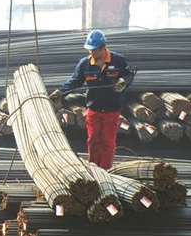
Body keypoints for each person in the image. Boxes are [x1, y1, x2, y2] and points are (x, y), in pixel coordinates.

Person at [50, 29, 132, 170]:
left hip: (112, 110)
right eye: (90, 50)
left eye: (94, 50)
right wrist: (60, 92)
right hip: (93, 108)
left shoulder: (118, 60)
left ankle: (105, 170)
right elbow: (74, 81)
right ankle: (94, 168)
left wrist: (123, 81)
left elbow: (129, 74)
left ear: (102, 48)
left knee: (107, 141)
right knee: (93, 140)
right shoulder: (85, 64)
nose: (91, 53)